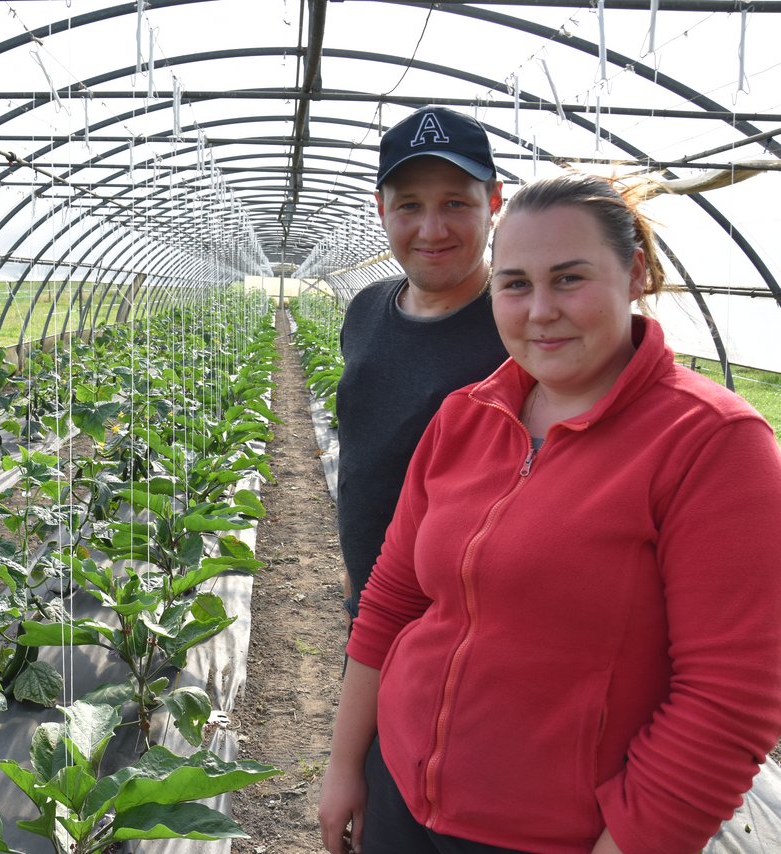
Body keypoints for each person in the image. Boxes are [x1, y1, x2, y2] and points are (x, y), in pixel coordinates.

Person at [318, 171, 781, 854]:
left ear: (636, 276)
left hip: (551, 837)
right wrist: (345, 763)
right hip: (398, 795)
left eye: (569, 279)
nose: (539, 310)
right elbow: (391, 598)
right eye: (515, 284)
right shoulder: (464, 418)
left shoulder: (711, 443)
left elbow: (727, 703)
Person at [336, 106, 509, 618]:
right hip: (369, 609)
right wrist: (353, 571)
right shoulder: (366, 307)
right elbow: (363, 457)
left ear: (493, 202)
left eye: (455, 202)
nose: (432, 230)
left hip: (468, 629)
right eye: (409, 205)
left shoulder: (524, 331)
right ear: (381, 209)